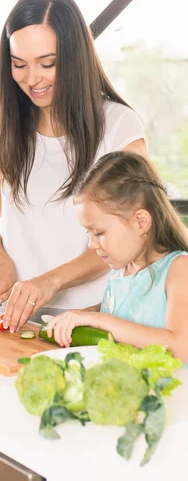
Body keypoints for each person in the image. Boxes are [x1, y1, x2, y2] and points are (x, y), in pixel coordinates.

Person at [0, 0, 147, 332]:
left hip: (93, 318)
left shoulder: (119, 127)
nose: (32, 78)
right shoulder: (3, 127)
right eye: (19, 64)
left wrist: (48, 282)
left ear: (75, 57)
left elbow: (123, 236)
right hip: (17, 318)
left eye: (47, 64)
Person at [46, 151, 188, 362]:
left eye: (99, 233)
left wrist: (98, 319)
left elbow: (180, 347)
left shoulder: (179, 268)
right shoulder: (122, 270)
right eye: (89, 233)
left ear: (140, 222)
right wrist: (82, 316)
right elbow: (126, 313)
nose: (92, 245)